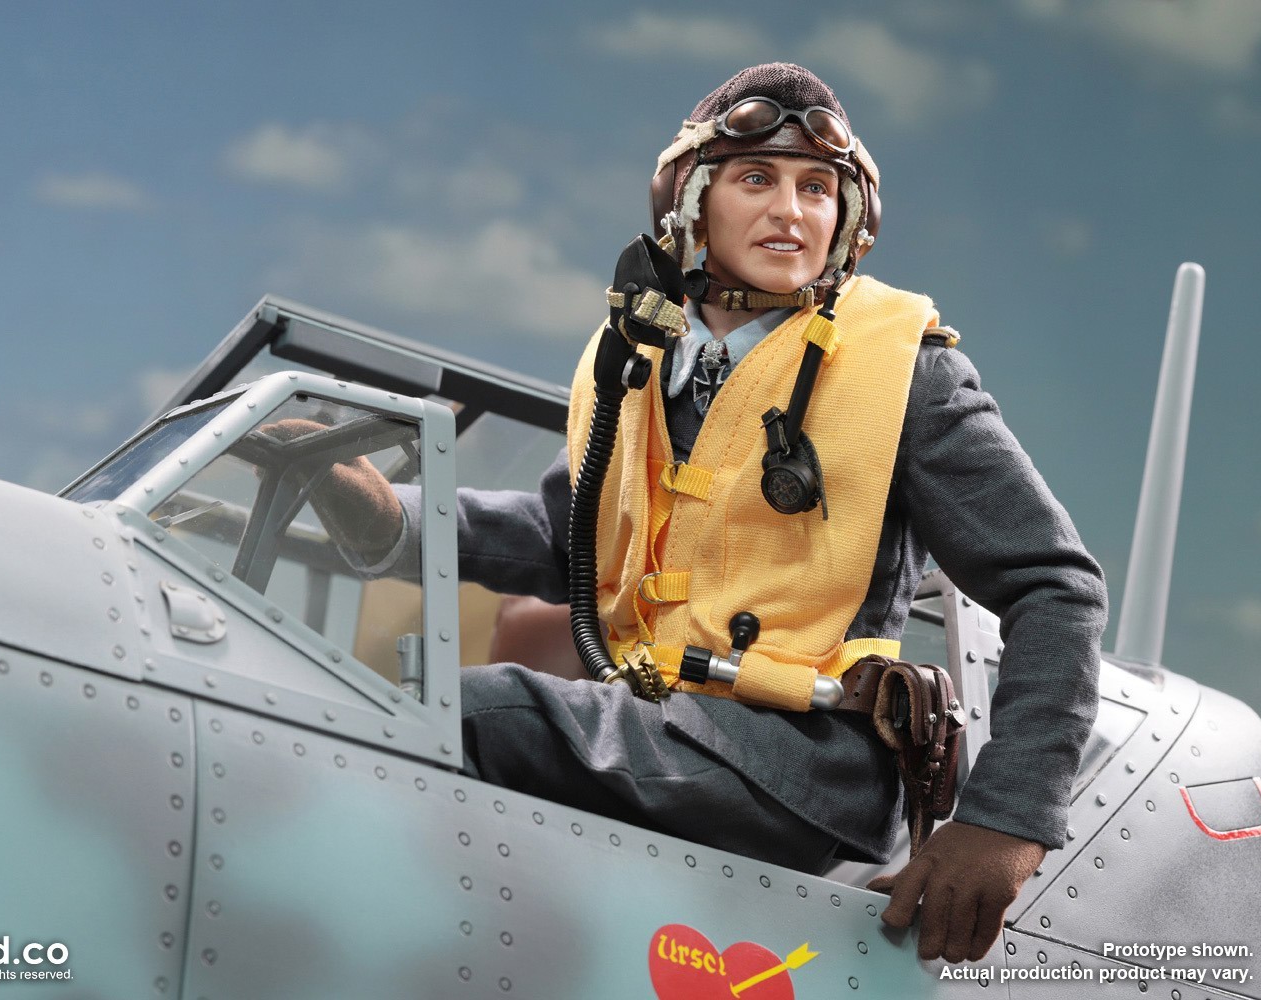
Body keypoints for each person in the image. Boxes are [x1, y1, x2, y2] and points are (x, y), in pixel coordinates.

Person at [329, 62, 1108, 965]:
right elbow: (570, 538)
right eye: (757, 179)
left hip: (803, 760)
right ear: (692, 203)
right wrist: (394, 517)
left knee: (470, 713)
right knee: (423, 705)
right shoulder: (633, 358)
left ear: (847, 218)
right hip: (662, 721)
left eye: (817, 188)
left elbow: (1055, 585)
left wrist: (1005, 820)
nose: (792, 212)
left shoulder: (906, 372)